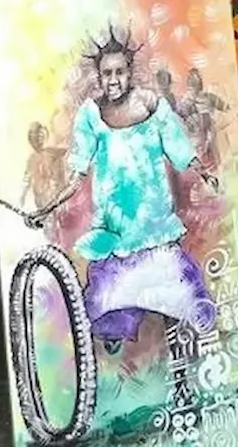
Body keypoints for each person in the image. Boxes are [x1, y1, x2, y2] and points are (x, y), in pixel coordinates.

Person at [25, 32, 218, 354]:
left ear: (130, 72)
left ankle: (185, 362)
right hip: (115, 236)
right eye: (107, 73)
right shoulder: (91, 115)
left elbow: (180, 151)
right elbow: (77, 174)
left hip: (155, 230)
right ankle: (117, 334)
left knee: (181, 301)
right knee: (106, 307)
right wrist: (45, 210)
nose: (113, 80)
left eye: (119, 71)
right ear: (98, 77)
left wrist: (206, 174)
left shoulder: (152, 105)